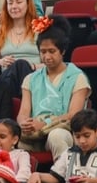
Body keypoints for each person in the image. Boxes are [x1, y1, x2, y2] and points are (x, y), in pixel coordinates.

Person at [17, 19, 91, 162]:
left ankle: (66, 179)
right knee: (9, 139)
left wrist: (45, 124)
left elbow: (73, 114)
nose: (47, 57)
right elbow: (23, 113)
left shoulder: (77, 77)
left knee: (56, 136)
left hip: (63, 130)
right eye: (43, 52)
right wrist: (25, 124)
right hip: (34, 134)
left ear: (62, 51)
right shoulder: (30, 79)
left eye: (52, 51)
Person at [0, 0, 41, 97]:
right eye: (10, 3)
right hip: (7, 78)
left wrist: (33, 66)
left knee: (21, 65)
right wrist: (0, 62)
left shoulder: (40, 29)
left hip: (36, 76)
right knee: (18, 67)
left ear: (28, 4)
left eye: (18, 2)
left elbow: (52, 63)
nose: (14, 6)